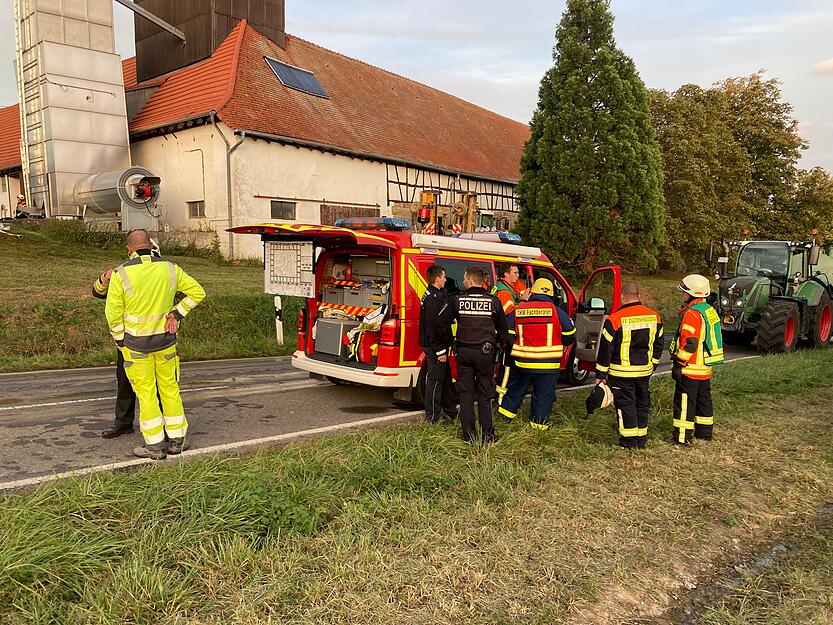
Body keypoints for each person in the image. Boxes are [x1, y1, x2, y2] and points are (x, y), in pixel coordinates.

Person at [105, 229, 205, 459]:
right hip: (166, 342)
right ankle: (177, 441)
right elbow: (198, 293)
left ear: (129, 248)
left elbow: (113, 314)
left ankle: (154, 447)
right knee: (170, 389)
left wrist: (120, 341)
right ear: (151, 245)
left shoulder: (121, 273)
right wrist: (177, 313)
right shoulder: (170, 268)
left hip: (135, 346)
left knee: (147, 394)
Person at [92, 240, 162, 438]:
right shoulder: (126, 273)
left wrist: (176, 315)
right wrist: (105, 279)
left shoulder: (165, 272)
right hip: (130, 339)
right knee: (125, 382)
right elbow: (98, 293)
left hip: (157, 339)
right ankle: (124, 423)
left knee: (159, 386)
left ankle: (162, 425)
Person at [436, 265, 509, 444]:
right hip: (485, 354)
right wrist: (501, 345)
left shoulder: (458, 300)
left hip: (464, 352)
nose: (462, 281)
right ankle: (488, 436)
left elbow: (440, 323)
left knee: (466, 395)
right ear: (482, 281)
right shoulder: (493, 301)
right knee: (485, 395)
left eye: (464, 278)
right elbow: (504, 331)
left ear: (469, 280)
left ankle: (469, 436)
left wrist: (449, 341)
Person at [497, 278, 575, 430]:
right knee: (543, 395)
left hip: (522, 362)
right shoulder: (556, 311)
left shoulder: (519, 309)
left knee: (515, 391)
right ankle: (538, 427)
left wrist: (516, 346)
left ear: (532, 292)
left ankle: (504, 420)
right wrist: (560, 341)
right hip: (548, 364)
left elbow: (507, 333)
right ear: (551, 294)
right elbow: (570, 334)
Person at [595, 281, 664, 449]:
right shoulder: (655, 317)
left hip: (621, 373)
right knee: (642, 404)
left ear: (622, 297)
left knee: (626, 405)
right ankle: (641, 439)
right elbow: (659, 344)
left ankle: (629, 441)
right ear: (639, 296)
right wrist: (653, 364)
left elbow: (605, 350)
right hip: (644, 372)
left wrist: (601, 375)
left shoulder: (614, 320)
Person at [670, 274, 724, 445]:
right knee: (703, 402)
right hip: (704, 368)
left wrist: (679, 363)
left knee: (685, 403)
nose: (683, 295)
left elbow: (690, 343)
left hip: (690, 368)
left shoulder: (692, 313)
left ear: (693, 293)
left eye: (685, 292)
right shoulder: (708, 310)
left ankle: (682, 437)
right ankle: (704, 433)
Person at [418, 264, 457, 423]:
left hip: (439, 345)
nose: (446, 279)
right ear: (437, 278)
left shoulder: (438, 294)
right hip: (435, 346)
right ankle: (433, 418)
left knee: (446, 380)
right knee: (435, 382)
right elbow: (433, 327)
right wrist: (440, 351)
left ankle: (450, 412)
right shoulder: (433, 299)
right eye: (444, 277)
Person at [492, 263, 530, 408]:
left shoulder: (507, 287)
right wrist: (524, 301)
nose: (518, 275)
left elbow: (521, 290)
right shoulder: (503, 292)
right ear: (506, 274)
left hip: (505, 335)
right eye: (515, 272)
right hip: (506, 336)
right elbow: (512, 313)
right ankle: (500, 402)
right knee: (506, 370)